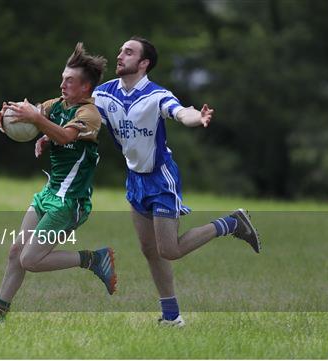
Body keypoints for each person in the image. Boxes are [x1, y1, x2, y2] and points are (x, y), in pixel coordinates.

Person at [91, 36, 260, 326]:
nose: (120, 56)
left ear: (143, 63)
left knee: (168, 250)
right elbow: (78, 116)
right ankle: (171, 317)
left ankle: (232, 223)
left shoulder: (156, 95)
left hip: (160, 178)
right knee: (149, 250)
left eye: (128, 52)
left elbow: (181, 112)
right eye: (120, 51)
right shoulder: (103, 94)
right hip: (134, 178)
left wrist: (198, 117)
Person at [0, 43, 116, 323]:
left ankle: (92, 259)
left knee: (31, 260)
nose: (62, 84)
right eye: (62, 78)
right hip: (50, 194)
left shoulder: (90, 115)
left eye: (69, 81)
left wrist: (40, 123)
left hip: (70, 203)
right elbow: (31, 112)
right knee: (16, 252)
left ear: (86, 87)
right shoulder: (56, 106)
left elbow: (65, 136)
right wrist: (9, 117)